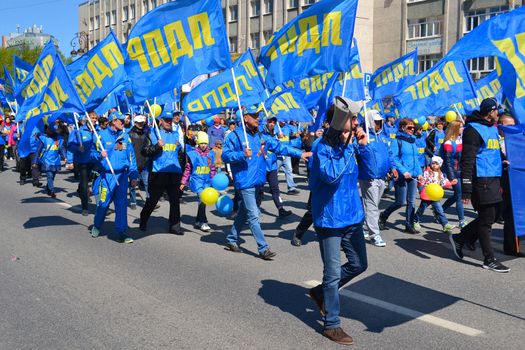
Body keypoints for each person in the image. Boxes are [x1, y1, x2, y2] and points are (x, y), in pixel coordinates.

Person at [308, 97, 373, 345]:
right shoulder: (321, 147)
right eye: (351, 118)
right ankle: (331, 325)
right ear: (337, 122)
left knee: (359, 264)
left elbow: (373, 172)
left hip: (352, 216)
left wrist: (364, 147)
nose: (355, 122)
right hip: (330, 218)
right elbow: (331, 176)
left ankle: (320, 292)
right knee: (332, 274)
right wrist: (348, 148)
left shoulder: (352, 145)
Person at [221, 106, 310, 260]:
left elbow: (279, 146)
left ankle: (231, 239)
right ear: (245, 117)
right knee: (254, 215)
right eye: (254, 116)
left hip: (257, 180)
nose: (258, 118)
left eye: (258, 115)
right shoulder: (235, 135)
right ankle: (263, 248)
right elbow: (225, 156)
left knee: (244, 212)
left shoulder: (261, 136)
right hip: (245, 181)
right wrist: (241, 154)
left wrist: (300, 153)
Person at [449, 98, 510, 272]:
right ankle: (489, 259)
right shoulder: (473, 131)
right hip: (481, 180)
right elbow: (467, 161)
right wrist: (466, 188)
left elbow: (492, 151)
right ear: (490, 112)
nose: (498, 113)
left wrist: (503, 160)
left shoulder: (492, 128)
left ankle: (462, 238)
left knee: (495, 213)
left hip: (494, 177)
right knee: (486, 220)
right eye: (496, 110)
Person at [91, 111, 138, 243]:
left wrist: (133, 175)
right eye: (120, 121)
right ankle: (97, 225)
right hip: (107, 176)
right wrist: (100, 155)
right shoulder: (100, 136)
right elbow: (92, 154)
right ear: (113, 121)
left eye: (124, 121)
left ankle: (121, 231)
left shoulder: (125, 137)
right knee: (104, 203)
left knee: (121, 204)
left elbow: (131, 157)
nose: (123, 123)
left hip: (122, 175)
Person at [139, 111, 184, 235]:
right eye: (166, 120)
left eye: (170, 120)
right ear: (160, 121)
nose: (169, 122)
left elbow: (180, 154)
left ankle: (175, 226)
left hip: (174, 171)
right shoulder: (153, 134)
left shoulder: (176, 135)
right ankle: (143, 219)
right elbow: (144, 152)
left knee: (175, 200)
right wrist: (157, 146)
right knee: (153, 200)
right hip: (159, 172)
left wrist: (182, 170)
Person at [358, 110, 397, 247]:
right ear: (369, 121)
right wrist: (366, 172)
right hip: (369, 178)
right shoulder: (363, 136)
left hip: (382, 177)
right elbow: (360, 155)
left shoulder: (383, 137)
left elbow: (389, 155)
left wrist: (393, 168)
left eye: (380, 121)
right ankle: (375, 235)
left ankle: (363, 227)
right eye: (376, 121)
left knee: (371, 205)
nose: (379, 124)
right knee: (372, 206)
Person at [379, 118, 424, 234]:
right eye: (409, 127)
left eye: (413, 128)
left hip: (413, 176)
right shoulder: (397, 141)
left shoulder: (413, 141)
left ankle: (408, 225)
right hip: (401, 175)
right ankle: (383, 215)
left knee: (412, 201)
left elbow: (416, 160)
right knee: (400, 202)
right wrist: (403, 171)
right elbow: (393, 158)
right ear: (402, 128)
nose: (412, 130)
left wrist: (419, 173)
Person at [260, 116, 297, 218]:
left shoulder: (275, 134)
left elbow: (279, 147)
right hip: (261, 166)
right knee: (258, 190)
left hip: (272, 166)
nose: (272, 124)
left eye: (274, 122)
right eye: (270, 122)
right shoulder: (260, 133)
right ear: (266, 122)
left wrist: (279, 139)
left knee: (275, 189)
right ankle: (251, 211)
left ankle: (281, 209)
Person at [180, 131, 216, 232]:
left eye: (205, 143)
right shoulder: (193, 154)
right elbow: (188, 169)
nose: (203, 145)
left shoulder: (211, 154)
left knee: (203, 202)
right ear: (198, 143)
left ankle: (197, 220)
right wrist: (183, 182)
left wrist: (214, 181)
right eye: (201, 143)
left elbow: (212, 169)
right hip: (197, 181)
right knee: (202, 199)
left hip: (207, 181)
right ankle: (204, 222)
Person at [497, 113, 522, 257]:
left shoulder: (519, 141)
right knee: (494, 216)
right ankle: (465, 237)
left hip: (516, 185)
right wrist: (501, 163)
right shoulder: (495, 142)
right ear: (500, 126)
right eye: (508, 126)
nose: (512, 128)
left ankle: (512, 248)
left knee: (513, 216)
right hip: (500, 185)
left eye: (514, 126)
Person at [67, 112, 98, 215]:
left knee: (95, 185)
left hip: (95, 162)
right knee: (85, 185)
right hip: (82, 162)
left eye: (95, 118)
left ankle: (99, 205)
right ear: (87, 118)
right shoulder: (78, 131)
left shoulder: (98, 131)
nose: (94, 120)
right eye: (92, 118)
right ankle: (85, 207)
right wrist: (77, 149)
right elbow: (70, 146)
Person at [413, 156, 456, 233]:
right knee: (421, 209)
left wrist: (451, 183)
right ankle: (415, 221)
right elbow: (423, 181)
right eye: (433, 163)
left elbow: (443, 183)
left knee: (440, 210)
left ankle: (445, 225)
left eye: (436, 164)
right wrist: (421, 181)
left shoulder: (440, 174)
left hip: (435, 196)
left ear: (439, 165)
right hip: (427, 194)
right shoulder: (427, 172)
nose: (434, 165)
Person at [440, 120, 465, 228]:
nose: (463, 129)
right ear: (455, 129)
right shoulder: (448, 143)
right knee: (459, 196)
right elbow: (448, 162)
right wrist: (452, 177)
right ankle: (462, 221)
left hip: (462, 172)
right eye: (461, 127)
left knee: (456, 195)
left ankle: (440, 211)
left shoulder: (460, 140)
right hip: (454, 173)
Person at [34, 123, 67, 198]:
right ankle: (52, 191)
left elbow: (62, 149)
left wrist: (65, 157)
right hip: (47, 160)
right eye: (49, 129)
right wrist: (34, 161)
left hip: (55, 160)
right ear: (46, 129)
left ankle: (48, 187)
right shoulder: (43, 138)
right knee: (49, 175)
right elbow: (38, 151)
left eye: (52, 129)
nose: (51, 130)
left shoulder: (59, 139)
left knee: (53, 176)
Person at [127, 114, 150, 210]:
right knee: (133, 183)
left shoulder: (146, 133)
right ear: (135, 123)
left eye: (142, 123)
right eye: (139, 123)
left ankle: (149, 201)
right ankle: (133, 201)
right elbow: (129, 149)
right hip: (134, 163)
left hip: (144, 162)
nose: (141, 125)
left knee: (147, 183)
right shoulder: (129, 134)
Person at [276, 120, 300, 195]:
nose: (284, 122)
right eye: (282, 120)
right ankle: (273, 188)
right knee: (274, 172)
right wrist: (277, 136)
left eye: (284, 120)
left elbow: (290, 136)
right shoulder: (275, 127)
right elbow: (269, 138)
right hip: (277, 154)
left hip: (286, 153)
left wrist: (295, 135)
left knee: (289, 170)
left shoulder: (287, 127)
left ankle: (291, 188)